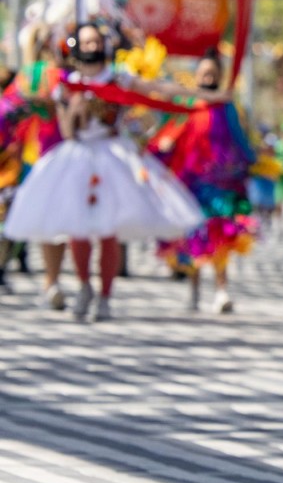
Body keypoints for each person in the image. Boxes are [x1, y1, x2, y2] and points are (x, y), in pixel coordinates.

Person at [1, 22, 216, 321]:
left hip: (112, 155)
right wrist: (74, 107)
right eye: (85, 43)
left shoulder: (117, 79)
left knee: (107, 233)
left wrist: (205, 95)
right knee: (77, 231)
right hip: (75, 158)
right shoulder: (66, 84)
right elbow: (66, 130)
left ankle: (105, 295)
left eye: (95, 42)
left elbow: (156, 91)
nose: (91, 48)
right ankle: (84, 286)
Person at [152, 50, 258, 313]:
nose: (207, 76)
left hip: (221, 181)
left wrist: (250, 160)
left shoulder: (226, 106)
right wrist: (162, 146)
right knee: (194, 235)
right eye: (203, 72)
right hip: (190, 181)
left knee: (220, 235)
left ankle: (221, 291)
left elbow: (238, 137)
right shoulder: (185, 102)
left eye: (212, 73)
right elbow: (170, 129)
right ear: (196, 75)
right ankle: (195, 290)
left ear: (220, 75)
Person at [2, 29, 74, 308]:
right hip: (30, 157)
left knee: (55, 222)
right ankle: (46, 278)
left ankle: (51, 280)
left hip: (59, 155)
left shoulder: (70, 78)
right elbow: (7, 110)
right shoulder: (30, 75)